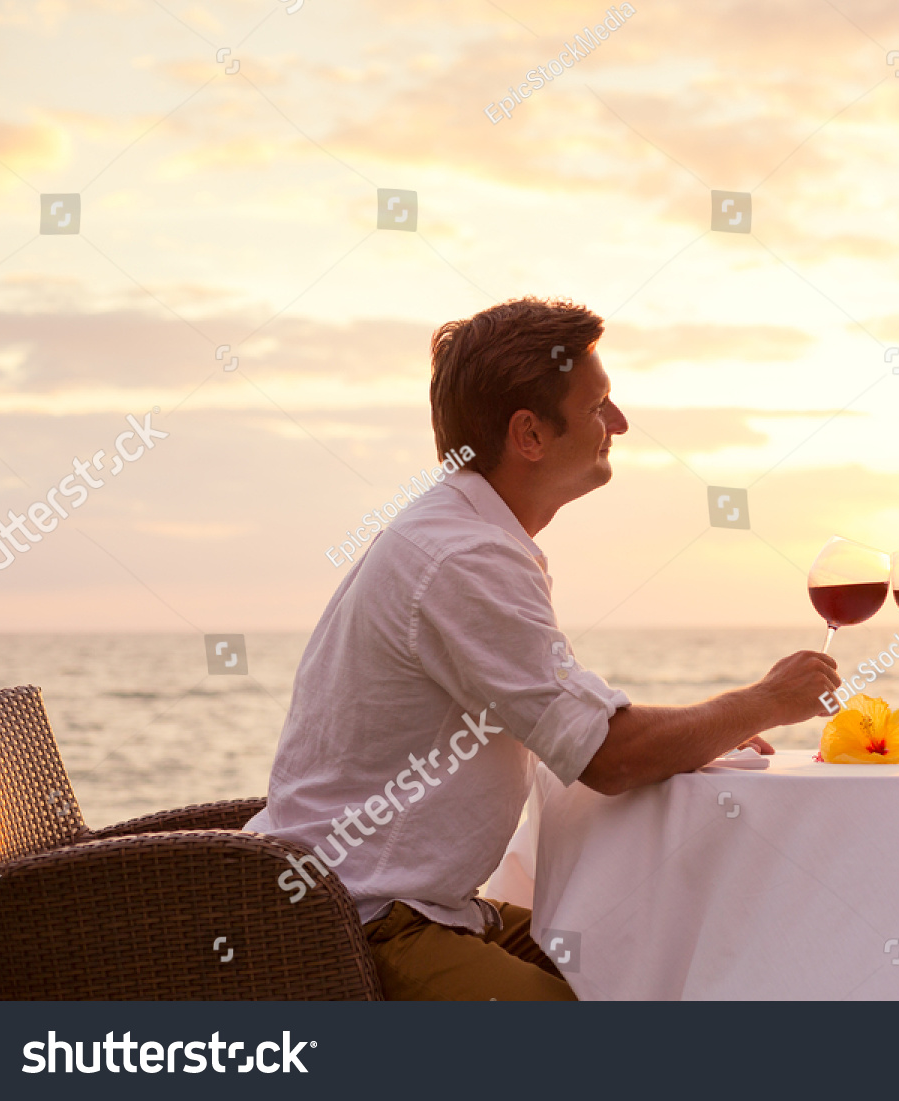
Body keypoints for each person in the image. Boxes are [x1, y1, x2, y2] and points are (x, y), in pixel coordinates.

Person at [245, 296, 841, 1000]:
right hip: (359, 918)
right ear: (528, 434)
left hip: (419, 903)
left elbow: (578, 721)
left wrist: (698, 734)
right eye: (599, 406)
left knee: (634, 951)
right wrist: (765, 701)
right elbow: (609, 756)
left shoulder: (462, 534)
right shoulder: (463, 557)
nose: (619, 423)